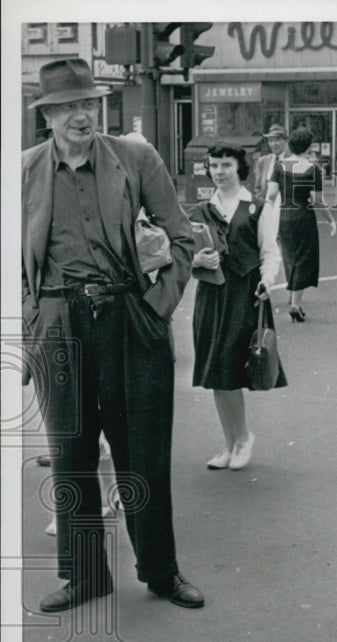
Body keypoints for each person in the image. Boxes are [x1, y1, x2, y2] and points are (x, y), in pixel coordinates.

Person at [22, 58, 204, 611]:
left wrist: (156, 309)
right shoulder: (24, 171)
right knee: (70, 454)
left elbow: (182, 237)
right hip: (59, 324)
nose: (81, 115)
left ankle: (160, 572)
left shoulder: (135, 157)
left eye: (88, 103)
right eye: (68, 107)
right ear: (47, 116)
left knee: (142, 450)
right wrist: (32, 322)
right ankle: (85, 576)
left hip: (129, 317)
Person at [189, 144, 283, 471]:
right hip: (210, 295)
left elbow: (269, 252)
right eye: (214, 165)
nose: (219, 171)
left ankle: (243, 438)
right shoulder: (200, 210)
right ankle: (230, 443)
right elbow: (180, 253)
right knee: (215, 371)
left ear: (239, 168)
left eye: (226, 165)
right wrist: (196, 260)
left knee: (229, 366)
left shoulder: (257, 207)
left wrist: (267, 281)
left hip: (244, 294)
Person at [267, 127, 336, 323]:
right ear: (308, 146)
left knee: (289, 256)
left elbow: (271, 194)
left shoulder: (279, 166)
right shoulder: (313, 169)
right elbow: (317, 201)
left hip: (284, 215)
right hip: (304, 216)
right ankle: (295, 304)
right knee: (304, 258)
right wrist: (330, 220)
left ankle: (294, 299)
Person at [252, 124, 288, 199]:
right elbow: (258, 189)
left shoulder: (292, 160)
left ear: (285, 141)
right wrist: (262, 204)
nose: (273, 144)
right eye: (271, 141)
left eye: (277, 140)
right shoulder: (263, 161)